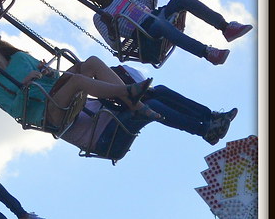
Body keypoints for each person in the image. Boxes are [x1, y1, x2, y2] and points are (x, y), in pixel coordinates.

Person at [60, 64, 240, 159]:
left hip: (112, 120)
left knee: (158, 91)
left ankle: (210, 117)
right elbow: (68, 117)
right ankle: (204, 130)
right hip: (103, 138)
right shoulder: (56, 111)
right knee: (152, 105)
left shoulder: (77, 96)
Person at [0, 39, 160, 131]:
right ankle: (128, 92)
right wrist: (24, 87)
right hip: (48, 112)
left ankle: (136, 105)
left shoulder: (20, 57)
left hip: (57, 93)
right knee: (78, 81)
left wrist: (48, 72)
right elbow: (16, 112)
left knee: (92, 62)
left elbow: (53, 78)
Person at [81, 0, 252, 66]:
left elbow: (150, 3)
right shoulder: (100, 17)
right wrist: (111, 28)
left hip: (156, 15)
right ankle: (206, 52)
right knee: (160, 25)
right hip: (145, 33)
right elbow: (114, 45)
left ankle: (225, 27)